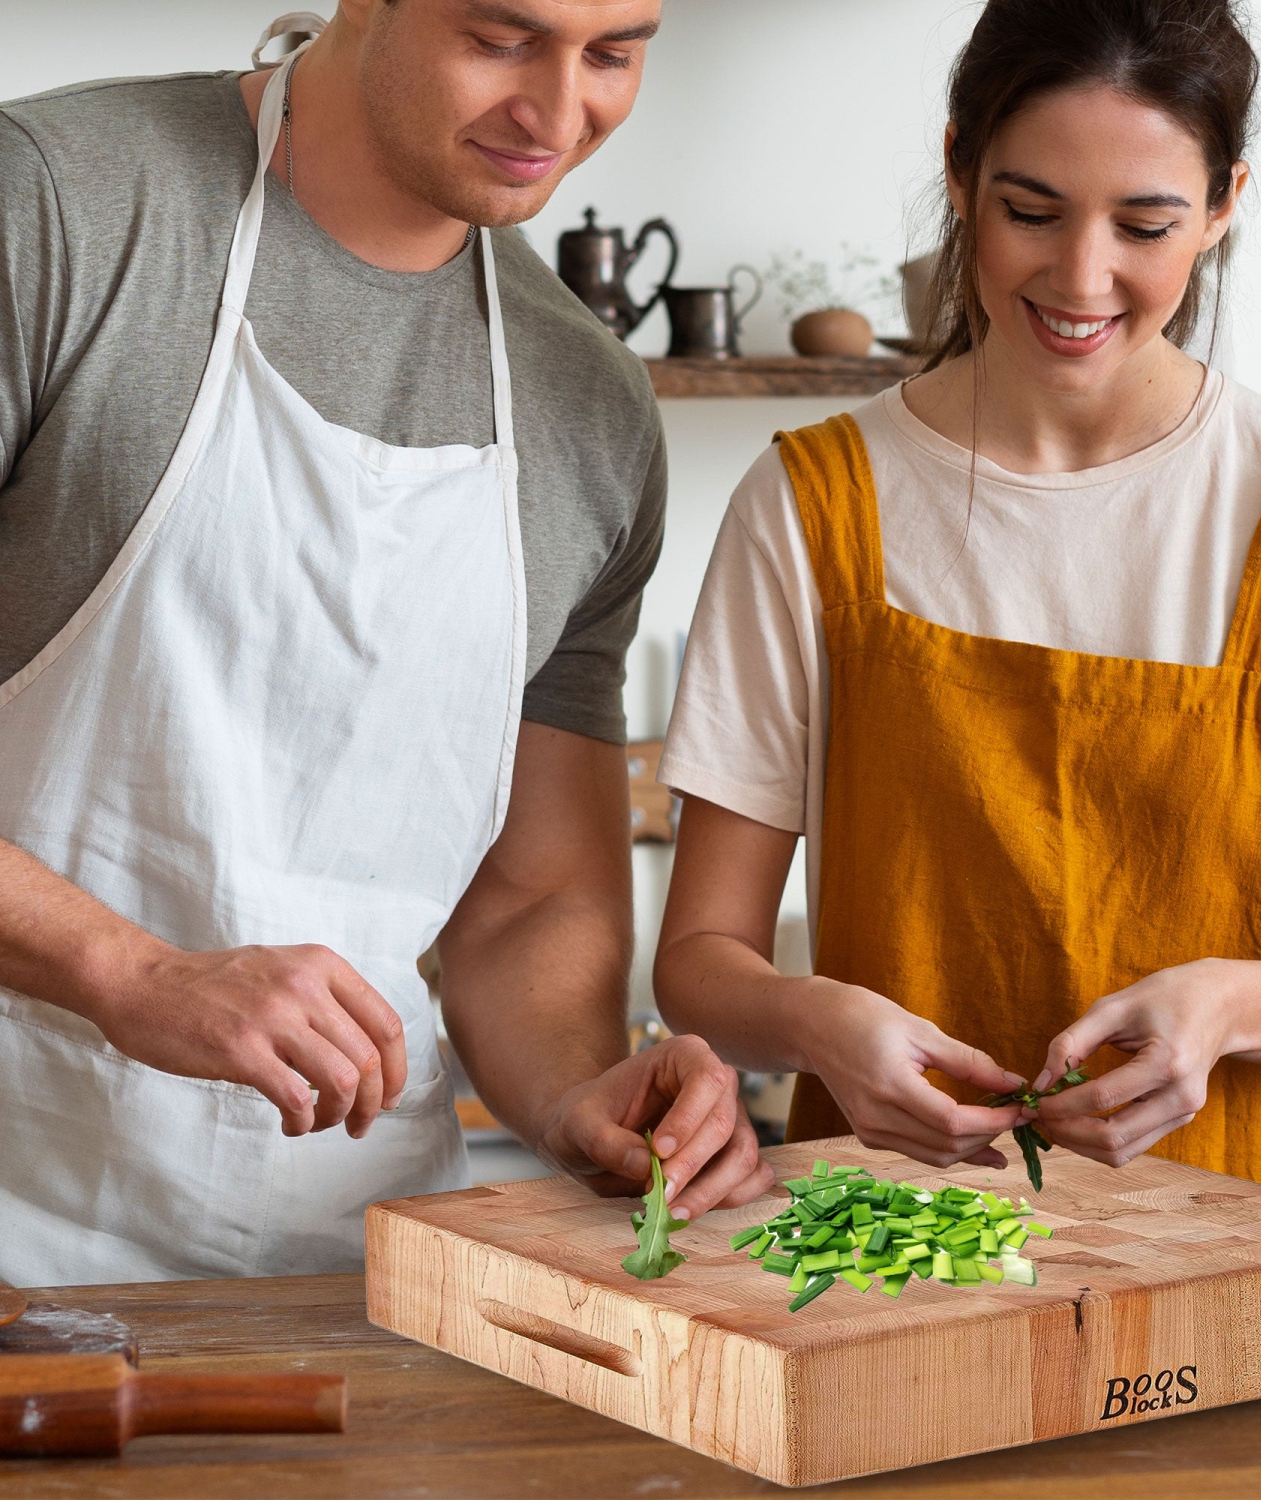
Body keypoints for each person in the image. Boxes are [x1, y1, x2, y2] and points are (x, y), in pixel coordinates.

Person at [652, 0, 1261, 1205]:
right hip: (891, 1234)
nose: (1082, 277)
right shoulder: (812, 503)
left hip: (1237, 1233)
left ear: (1224, 205)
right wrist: (819, 1021)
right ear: (959, 172)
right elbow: (698, 960)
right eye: (1030, 212)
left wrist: (1229, 1003)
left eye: (1146, 224)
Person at [0, 0, 771, 1287]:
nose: (559, 111)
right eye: (502, 37)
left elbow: (531, 901)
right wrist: (125, 970)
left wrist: (576, 1093)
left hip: (346, 1269)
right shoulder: (55, 210)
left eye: (614, 53)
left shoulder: (589, 406)